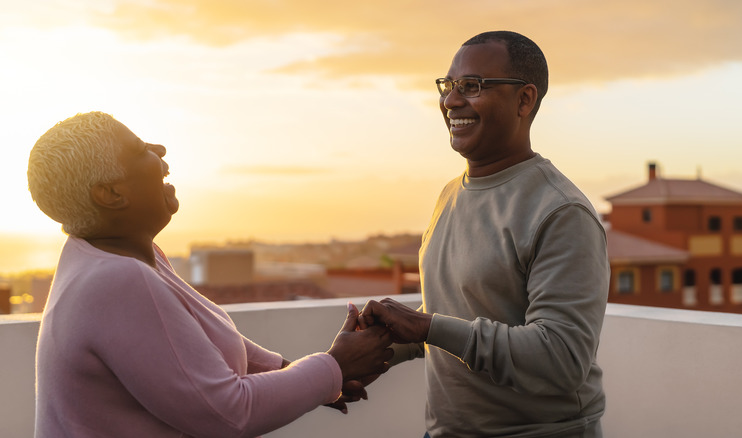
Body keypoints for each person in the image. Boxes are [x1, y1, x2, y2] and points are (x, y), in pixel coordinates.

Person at [28, 111, 393, 438]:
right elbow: (229, 416)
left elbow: (195, 341)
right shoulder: (117, 279)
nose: (160, 151)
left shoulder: (115, 258)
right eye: (140, 149)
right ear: (110, 193)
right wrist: (334, 366)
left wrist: (295, 372)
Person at [359, 31, 610, 437]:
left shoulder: (561, 212)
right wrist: (374, 348)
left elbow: (562, 360)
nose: (452, 101)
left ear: (524, 100)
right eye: (448, 86)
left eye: (471, 87)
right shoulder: (449, 195)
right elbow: (461, 320)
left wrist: (426, 327)